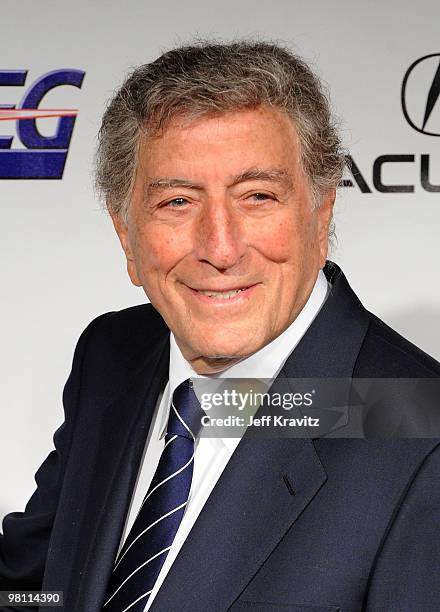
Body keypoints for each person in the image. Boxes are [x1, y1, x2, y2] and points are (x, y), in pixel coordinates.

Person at [1, 40, 439, 612]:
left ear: (321, 211)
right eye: (178, 202)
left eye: (257, 197)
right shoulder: (112, 355)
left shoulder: (417, 429)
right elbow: (40, 588)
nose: (221, 248)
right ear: (126, 235)